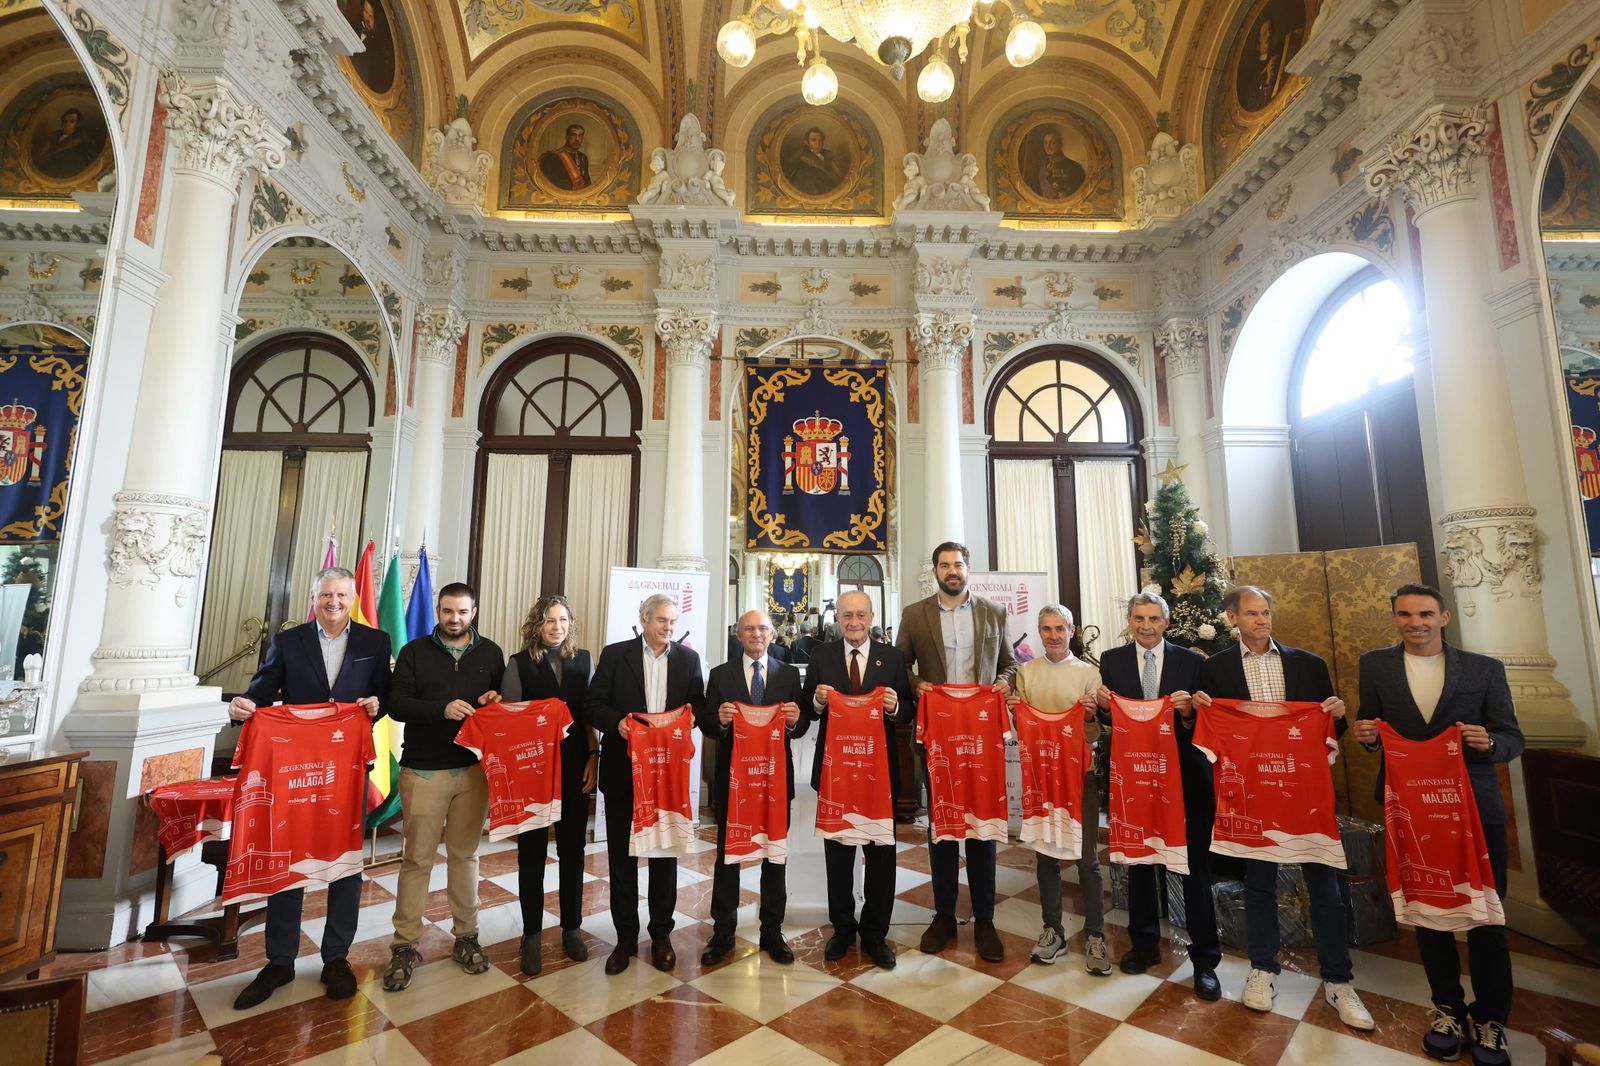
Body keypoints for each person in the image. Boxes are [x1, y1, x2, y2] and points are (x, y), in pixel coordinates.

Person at [1353, 584, 1524, 1065]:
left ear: (1444, 617)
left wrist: (1488, 742)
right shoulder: (1375, 665)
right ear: (1394, 619)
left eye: (1426, 614)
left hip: (1473, 807)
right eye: (1405, 614)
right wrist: (1367, 737)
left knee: (1486, 915)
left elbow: (1513, 737)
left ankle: (1491, 1019)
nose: (1416, 622)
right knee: (1427, 910)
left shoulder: (1484, 669)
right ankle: (1448, 1009)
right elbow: (1372, 726)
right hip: (1410, 806)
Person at [1196, 584, 1375, 1031]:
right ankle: (1263, 969)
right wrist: (1195, 712)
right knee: (1259, 885)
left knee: (1325, 888)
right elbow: (1209, 728)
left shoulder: (1308, 664)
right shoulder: (1215, 670)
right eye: (1252, 614)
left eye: (1266, 612)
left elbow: (1336, 726)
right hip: (1254, 798)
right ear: (1232, 619)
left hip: (1304, 795)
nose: (1262, 620)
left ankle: (1338, 979)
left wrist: (1336, 713)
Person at [227, 567, 388, 1010]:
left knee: (346, 860)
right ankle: (280, 960)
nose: (333, 602)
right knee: (289, 855)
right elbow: (262, 689)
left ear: (352, 597)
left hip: (346, 771)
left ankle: (336, 956)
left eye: (340, 595)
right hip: (295, 771)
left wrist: (378, 705)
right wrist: (245, 705)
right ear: (313, 597)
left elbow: (384, 695)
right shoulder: (290, 639)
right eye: (324, 595)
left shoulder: (376, 642)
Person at [894, 541, 1016, 962]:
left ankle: (984, 918)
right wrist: (917, 686)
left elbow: (1009, 663)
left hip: (981, 737)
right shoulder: (915, 614)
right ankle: (943, 914)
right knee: (942, 826)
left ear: (969, 568)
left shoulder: (993, 612)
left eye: (958, 564)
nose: (952, 571)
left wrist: (1004, 683)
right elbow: (900, 667)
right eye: (944, 565)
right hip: (940, 735)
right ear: (935, 571)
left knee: (982, 826)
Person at [1095, 592, 1220, 1000]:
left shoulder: (1192, 662)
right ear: (1129, 621)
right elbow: (1109, 719)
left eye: (1153, 618)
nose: (1146, 626)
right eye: (1138, 618)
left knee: (1193, 867)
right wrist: (1102, 708)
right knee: (1138, 862)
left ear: (1167, 623)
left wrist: (1187, 714)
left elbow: (1206, 721)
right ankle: (1144, 944)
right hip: (1133, 779)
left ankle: (1205, 960)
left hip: (1185, 781)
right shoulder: (1111, 661)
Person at [381, 582, 505, 991]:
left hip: (472, 772)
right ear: (438, 610)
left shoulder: (491, 653)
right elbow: (395, 703)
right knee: (416, 860)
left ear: (474, 612)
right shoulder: (415, 652)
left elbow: (501, 703)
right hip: (424, 770)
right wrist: (442, 710)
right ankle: (404, 944)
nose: (455, 619)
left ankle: (466, 937)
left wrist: (493, 699)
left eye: (463, 612)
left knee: (465, 857)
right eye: (448, 611)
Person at [587, 593, 706, 975]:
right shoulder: (615, 655)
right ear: (643, 620)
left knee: (663, 858)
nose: (668, 628)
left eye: (672, 622)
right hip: (625, 772)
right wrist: (618, 723)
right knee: (623, 860)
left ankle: (661, 935)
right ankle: (625, 939)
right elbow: (593, 705)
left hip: (667, 778)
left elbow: (697, 710)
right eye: (661, 621)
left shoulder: (688, 660)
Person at [802, 589, 913, 969]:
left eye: (860, 615)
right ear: (838, 619)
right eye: (846, 615)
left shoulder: (893, 658)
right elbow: (807, 712)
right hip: (835, 775)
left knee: (881, 856)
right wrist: (817, 701)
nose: (853, 622)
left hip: (879, 777)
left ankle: (876, 934)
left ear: (870, 618)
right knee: (839, 855)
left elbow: (909, 708)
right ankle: (843, 928)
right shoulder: (821, 656)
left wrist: (896, 705)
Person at [698, 610, 805, 966]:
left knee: (774, 856)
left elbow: (801, 726)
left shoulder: (788, 675)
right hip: (733, 782)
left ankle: (772, 931)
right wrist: (721, 720)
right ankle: (723, 931)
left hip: (776, 781)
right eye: (749, 629)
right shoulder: (720, 675)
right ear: (738, 635)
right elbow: (706, 723)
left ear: (773, 634)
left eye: (762, 628)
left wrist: (794, 720)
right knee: (728, 856)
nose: (756, 634)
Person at [499, 594, 596, 976]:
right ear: (536, 625)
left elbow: (589, 715)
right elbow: (508, 720)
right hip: (532, 772)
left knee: (573, 850)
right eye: (549, 621)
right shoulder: (518, 664)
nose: (557, 627)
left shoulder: (585, 660)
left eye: (563, 620)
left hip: (575, 767)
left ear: (570, 624)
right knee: (532, 854)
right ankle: (532, 934)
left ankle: (571, 928)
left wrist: (594, 755)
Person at [1011, 604, 1109, 974]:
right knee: (1046, 856)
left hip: (1078, 777)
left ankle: (1095, 935)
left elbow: (1095, 734)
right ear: (1039, 632)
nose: (1053, 635)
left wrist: (1087, 716)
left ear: (1072, 630)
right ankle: (1053, 930)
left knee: (1087, 859)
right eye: (1046, 628)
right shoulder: (1027, 672)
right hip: (1040, 776)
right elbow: (1023, 729)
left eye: (1060, 628)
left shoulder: (1089, 674)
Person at [1030, 128, 1085, 200]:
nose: (1048, 147)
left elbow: (1080, 193)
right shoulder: (1038, 168)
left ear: (1060, 144)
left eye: (1053, 143)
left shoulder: (1075, 167)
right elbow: (1033, 192)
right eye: (1046, 143)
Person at [786, 127, 843, 196]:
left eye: (820, 140)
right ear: (807, 142)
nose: (817, 143)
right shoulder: (803, 162)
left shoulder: (829, 156)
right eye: (813, 140)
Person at [539, 123, 590, 190]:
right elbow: (547, 182)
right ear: (567, 137)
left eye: (580, 136)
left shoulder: (583, 157)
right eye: (573, 135)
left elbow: (587, 182)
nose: (577, 139)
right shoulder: (553, 157)